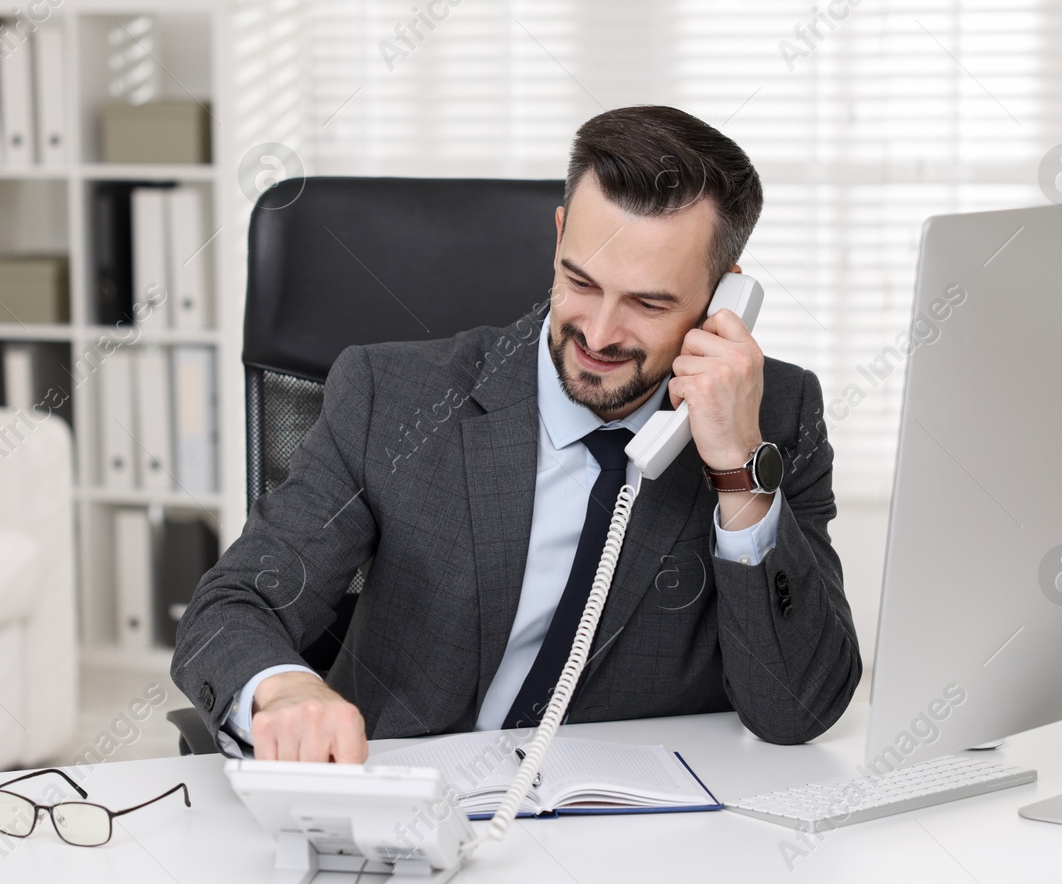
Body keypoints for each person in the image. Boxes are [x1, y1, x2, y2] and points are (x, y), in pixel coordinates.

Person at [172, 105, 861, 761]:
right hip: (413, 819)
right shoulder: (393, 397)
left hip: (631, 849)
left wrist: (738, 468)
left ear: (720, 299)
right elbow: (231, 606)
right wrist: (284, 689)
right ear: (559, 236)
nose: (598, 333)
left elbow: (797, 709)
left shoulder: (775, 416)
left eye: (649, 303)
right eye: (581, 281)